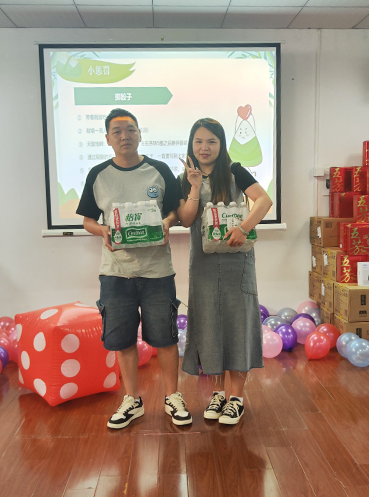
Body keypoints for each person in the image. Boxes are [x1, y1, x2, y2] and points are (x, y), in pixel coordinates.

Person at [77, 109, 192, 429]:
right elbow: (88, 220)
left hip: (157, 270)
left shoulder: (159, 170)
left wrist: (166, 223)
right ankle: (132, 399)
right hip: (115, 271)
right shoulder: (98, 174)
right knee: (123, 339)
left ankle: (172, 396)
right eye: (117, 131)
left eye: (130, 129)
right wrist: (102, 231)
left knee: (165, 338)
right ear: (107, 139)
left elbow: (175, 211)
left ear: (140, 134)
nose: (124, 136)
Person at [177, 118, 272, 425]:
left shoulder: (235, 171)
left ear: (221, 144)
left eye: (211, 141)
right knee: (209, 326)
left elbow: (264, 200)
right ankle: (218, 393)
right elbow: (186, 220)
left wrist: (244, 228)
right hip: (203, 266)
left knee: (237, 325)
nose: (204, 148)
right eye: (198, 141)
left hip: (236, 263)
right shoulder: (185, 178)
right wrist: (194, 187)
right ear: (191, 144)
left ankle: (236, 399)